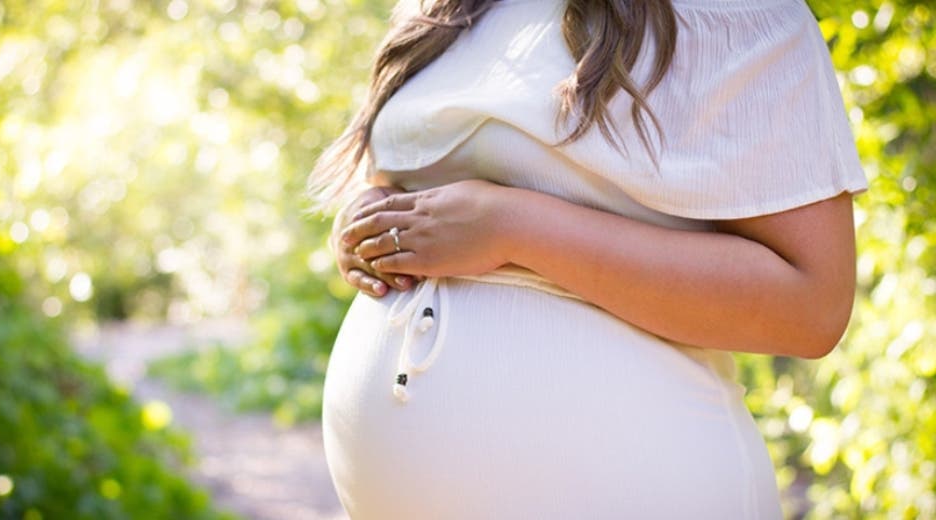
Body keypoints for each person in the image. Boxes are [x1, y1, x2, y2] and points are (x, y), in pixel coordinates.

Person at [310, 0, 867, 517]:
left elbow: (810, 305)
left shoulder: (735, 12)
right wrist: (368, 221)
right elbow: (411, 179)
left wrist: (517, 228)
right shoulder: (443, 6)